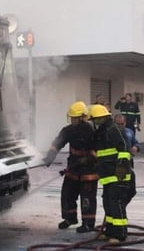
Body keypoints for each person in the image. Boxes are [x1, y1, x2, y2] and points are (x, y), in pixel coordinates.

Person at [43, 101, 98, 233]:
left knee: (87, 197)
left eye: (74, 117)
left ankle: (88, 223)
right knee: (67, 194)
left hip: (88, 169)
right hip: (73, 166)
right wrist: (49, 157)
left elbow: (97, 149)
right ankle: (70, 218)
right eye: (71, 117)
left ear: (82, 117)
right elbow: (57, 143)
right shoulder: (68, 130)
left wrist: (88, 157)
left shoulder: (91, 130)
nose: (72, 120)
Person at [89, 104, 132, 244]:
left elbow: (124, 148)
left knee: (116, 202)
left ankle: (120, 234)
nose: (94, 123)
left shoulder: (112, 129)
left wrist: (121, 166)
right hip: (107, 175)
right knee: (108, 202)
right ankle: (110, 230)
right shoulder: (102, 132)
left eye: (96, 120)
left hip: (117, 173)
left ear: (103, 118)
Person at [113, 114, 140, 205]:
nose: (120, 126)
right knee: (118, 192)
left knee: (131, 191)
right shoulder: (110, 134)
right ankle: (117, 209)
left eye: (122, 124)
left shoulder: (129, 132)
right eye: (118, 124)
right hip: (116, 166)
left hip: (128, 165)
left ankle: (121, 206)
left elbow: (136, 143)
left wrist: (136, 147)